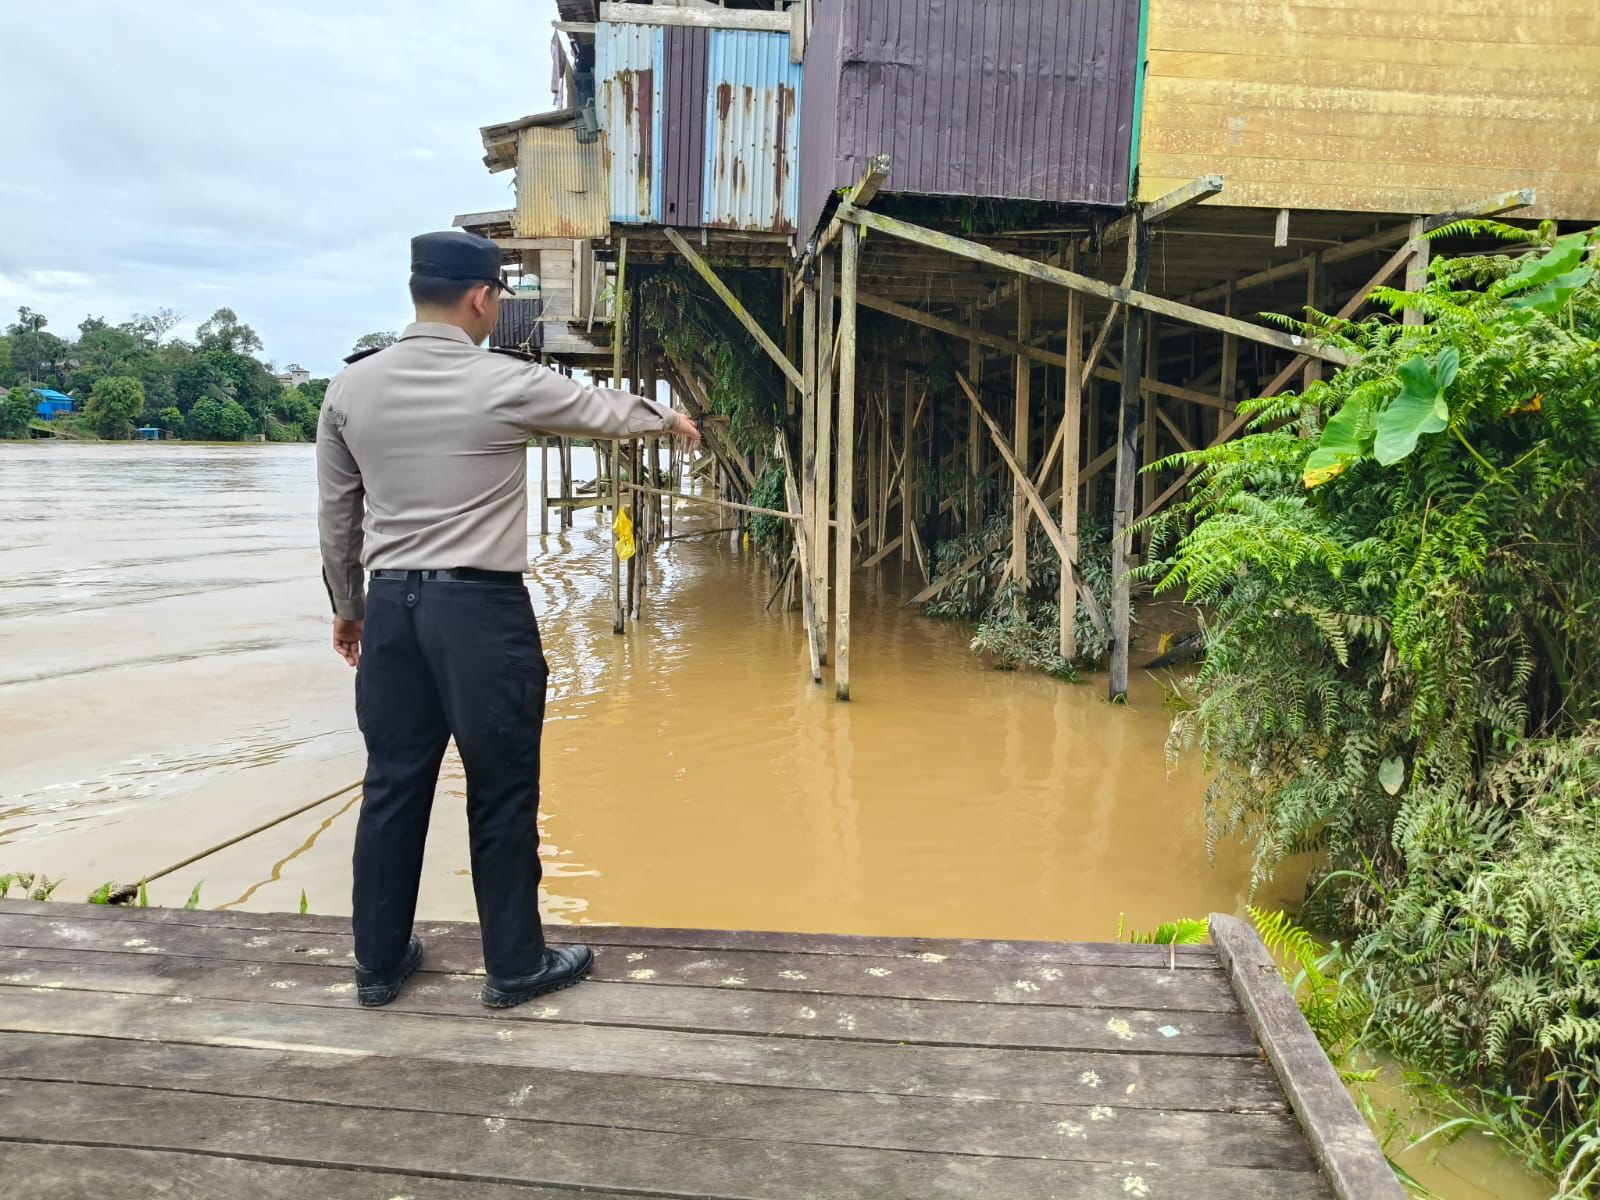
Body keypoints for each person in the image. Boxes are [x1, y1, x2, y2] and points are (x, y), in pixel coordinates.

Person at [317, 230, 700, 1009]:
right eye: (499, 297)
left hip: (391, 609)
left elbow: (336, 521)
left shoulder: (348, 388)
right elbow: (597, 410)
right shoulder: (501, 380)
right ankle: (515, 965)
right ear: (481, 297)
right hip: (479, 613)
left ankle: (378, 965)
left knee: (391, 786)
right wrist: (667, 420)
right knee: (501, 787)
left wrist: (348, 611)